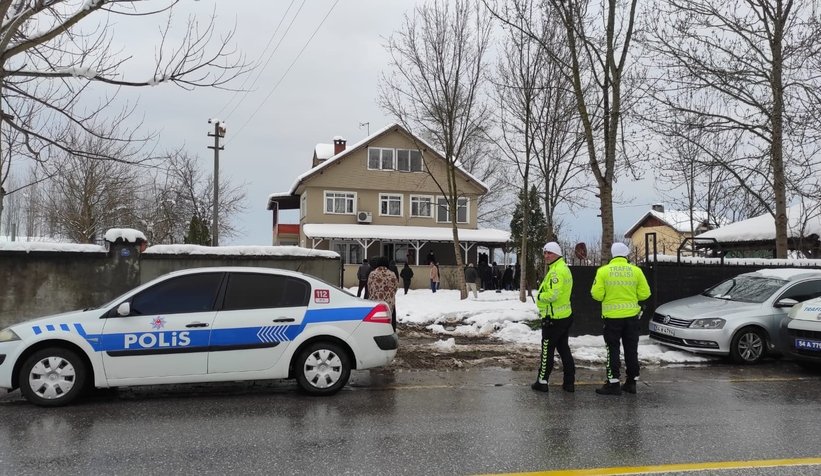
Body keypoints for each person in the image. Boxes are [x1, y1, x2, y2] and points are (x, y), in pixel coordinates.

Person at [591, 242, 651, 396]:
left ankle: (613, 383)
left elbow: (596, 295)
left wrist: (609, 297)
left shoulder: (603, 271)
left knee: (613, 349)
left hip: (612, 319)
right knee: (631, 350)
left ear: (612, 254)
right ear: (626, 254)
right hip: (631, 318)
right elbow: (645, 294)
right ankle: (631, 382)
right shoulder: (636, 271)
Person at [532, 242, 576, 393]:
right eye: (545, 253)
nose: (546, 256)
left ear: (557, 254)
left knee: (547, 350)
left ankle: (542, 381)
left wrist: (539, 296)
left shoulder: (557, 271)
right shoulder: (563, 268)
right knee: (564, 349)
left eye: (549, 253)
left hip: (554, 318)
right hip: (564, 315)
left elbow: (553, 295)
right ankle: (569, 383)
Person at [368, 256, 400, 331]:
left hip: (375, 304)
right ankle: (390, 331)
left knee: (376, 324)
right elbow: (396, 287)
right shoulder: (392, 274)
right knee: (390, 322)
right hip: (388, 304)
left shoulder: (372, 274)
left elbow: (369, 288)